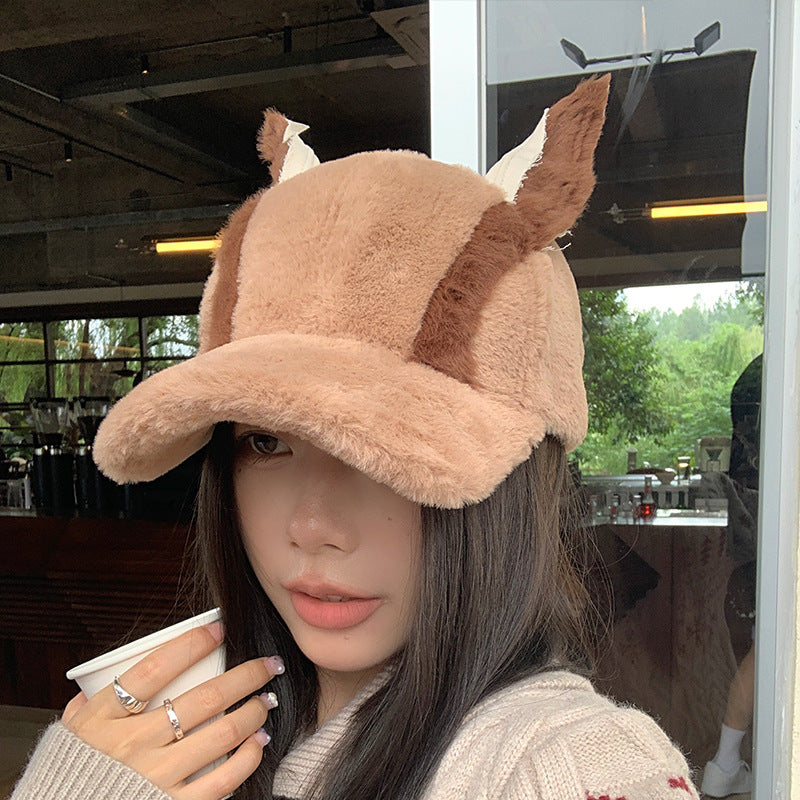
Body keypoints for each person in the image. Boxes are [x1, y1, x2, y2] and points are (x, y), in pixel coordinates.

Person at [12, 76, 699, 800]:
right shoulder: (212, 739)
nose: (312, 526)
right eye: (266, 443)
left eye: (384, 451)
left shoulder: (565, 761)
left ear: (514, 479)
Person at [701, 354, 761, 798]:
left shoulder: (760, 375)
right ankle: (725, 765)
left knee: (759, 657)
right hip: (764, 558)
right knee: (762, 656)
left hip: (752, 558)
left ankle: (725, 765)